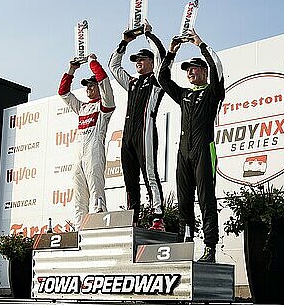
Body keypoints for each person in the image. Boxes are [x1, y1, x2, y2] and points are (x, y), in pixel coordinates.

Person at [157, 29, 225, 263]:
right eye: (187, 69)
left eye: (195, 68)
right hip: (183, 153)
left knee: (206, 199)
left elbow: (218, 67)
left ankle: (210, 249)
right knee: (184, 201)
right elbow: (163, 79)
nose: (190, 72)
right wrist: (171, 52)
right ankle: (185, 246)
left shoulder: (213, 91)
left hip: (204, 150)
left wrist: (200, 44)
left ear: (204, 71)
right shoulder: (184, 94)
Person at [108, 20, 167, 230]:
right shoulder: (132, 82)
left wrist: (148, 35)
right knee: (129, 179)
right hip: (128, 136)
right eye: (136, 61)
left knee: (150, 174)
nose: (138, 63)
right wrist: (124, 42)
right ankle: (133, 217)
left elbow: (161, 55)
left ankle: (158, 217)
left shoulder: (158, 79)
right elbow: (113, 67)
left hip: (146, 132)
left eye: (142, 59)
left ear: (151, 62)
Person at [58, 53, 115, 228]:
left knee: (96, 189)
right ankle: (79, 228)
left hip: (94, 149)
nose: (88, 88)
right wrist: (72, 69)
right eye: (87, 86)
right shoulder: (82, 107)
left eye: (92, 85)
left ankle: (100, 224)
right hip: (79, 153)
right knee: (79, 195)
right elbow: (63, 93)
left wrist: (92, 62)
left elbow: (104, 81)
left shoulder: (105, 104)